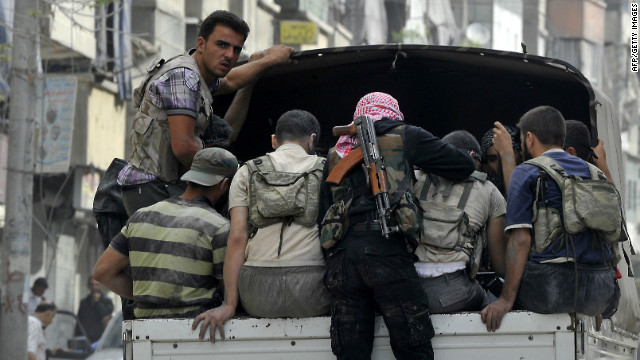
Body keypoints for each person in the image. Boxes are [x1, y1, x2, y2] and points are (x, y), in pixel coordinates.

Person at [317, 92, 476, 360]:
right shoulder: (404, 135)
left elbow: (323, 212)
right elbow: (463, 164)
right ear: (393, 114)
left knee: (350, 352)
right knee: (413, 347)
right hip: (387, 251)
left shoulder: (336, 152)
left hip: (342, 259)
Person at [118, 9, 293, 216]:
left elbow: (231, 81)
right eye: (222, 45)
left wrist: (262, 63)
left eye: (236, 49)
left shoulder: (198, 74)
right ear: (201, 44)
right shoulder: (184, 77)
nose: (229, 55)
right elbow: (184, 147)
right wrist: (234, 174)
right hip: (153, 187)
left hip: (162, 186)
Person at [192, 110, 331, 342]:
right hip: (313, 294)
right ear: (313, 140)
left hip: (258, 297)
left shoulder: (247, 171)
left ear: (274, 140)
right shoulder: (327, 170)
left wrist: (229, 304)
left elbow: (237, 237)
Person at [481, 106, 620, 332]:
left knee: (490, 293)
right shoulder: (597, 174)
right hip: (600, 293)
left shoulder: (526, 172)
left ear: (529, 138)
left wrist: (505, 300)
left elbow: (521, 240)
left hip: (551, 291)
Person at [93, 147, 238, 319]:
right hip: (198, 329)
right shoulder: (219, 227)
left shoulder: (141, 217)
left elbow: (102, 271)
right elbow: (227, 290)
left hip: (145, 326)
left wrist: (149, 296)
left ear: (190, 177)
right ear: (224, 185)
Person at [413, 130, 507, 314]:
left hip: (409, 290)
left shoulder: (414, 178)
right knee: (492, 301)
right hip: (455, 291)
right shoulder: (489, 190)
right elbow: (500, 263)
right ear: (473, 157)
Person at [480, 122, 523, 197]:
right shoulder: (483, 193)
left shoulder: (534, 184)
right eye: (493, 159)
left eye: (508, 155)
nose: (501, 164)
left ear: (521, 155)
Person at [75, 277, 114, 343]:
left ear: (101, 286)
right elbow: (79, 320)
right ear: (89, 286)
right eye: (92, 285)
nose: (94, 287)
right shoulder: (84, 301)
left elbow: (106, 315)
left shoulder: (107, 301)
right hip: (85, 338)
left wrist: (97, 303)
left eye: (97, 285)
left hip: (100, 339)